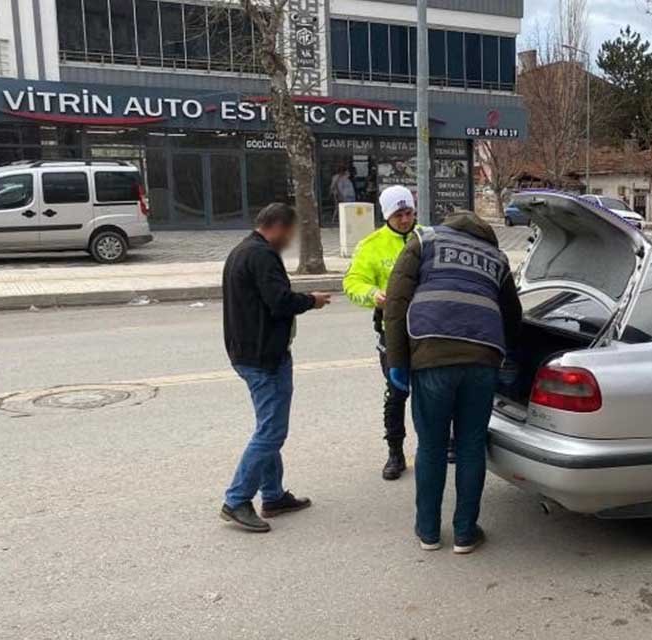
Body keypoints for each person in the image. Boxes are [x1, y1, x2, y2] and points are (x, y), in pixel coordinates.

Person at [383, 209, 522, 554]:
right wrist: (509, 360)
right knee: (470, 445)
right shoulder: (496, 257)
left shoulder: (424, 241)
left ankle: (428, 532)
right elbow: (513, 315)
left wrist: (397, 361)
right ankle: (465, 532)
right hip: (483, 359)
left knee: (431, 445)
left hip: (431, 355)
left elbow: (397, 303)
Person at [219, 203, 333, 533]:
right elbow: (280, 301)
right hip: (263, 357)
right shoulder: (261, 255)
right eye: (291, 233)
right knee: (271, 431)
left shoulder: (243, 250)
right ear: (279, 227)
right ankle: (237, 499)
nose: (291, 240)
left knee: (268, 426)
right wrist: (312, 299)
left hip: (250, 352)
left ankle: (273, 495)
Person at [342, 185, 419, 481]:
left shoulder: (427, 237)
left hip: (427, 328)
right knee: (397, 392)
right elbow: (352, 284)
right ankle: (395, 453)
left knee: (434, 389)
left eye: (409, 212)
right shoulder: (371, 245)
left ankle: (442, 443)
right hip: (394, 332)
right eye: (398, 214)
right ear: (388, 215)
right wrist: (373, 294)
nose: (404, 219)